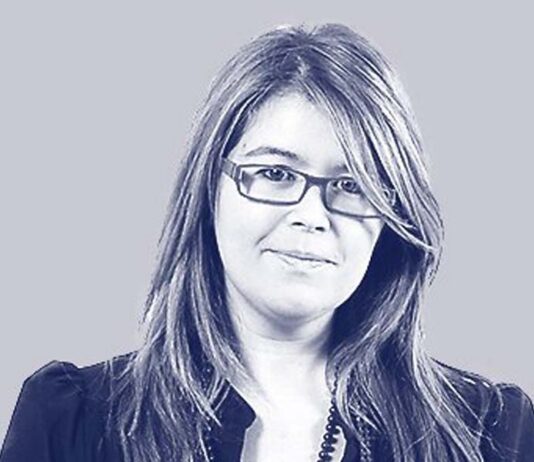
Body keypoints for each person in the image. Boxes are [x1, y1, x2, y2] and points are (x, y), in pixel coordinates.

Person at [1, 23, 533, 462]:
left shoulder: (491, 433)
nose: (312, 216)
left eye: (351, 186)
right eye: (276, 174)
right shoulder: (72, 423)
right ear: (208, 189)